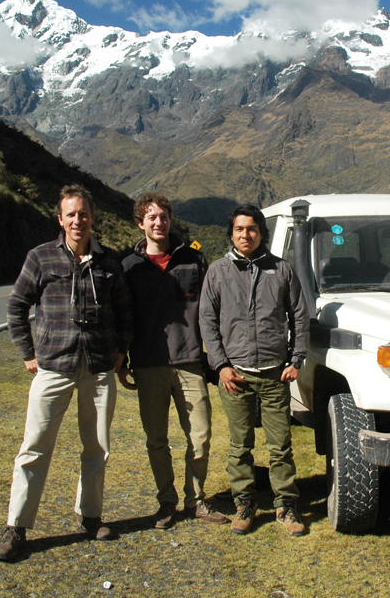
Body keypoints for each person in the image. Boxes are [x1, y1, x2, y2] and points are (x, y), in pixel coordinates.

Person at [0, 184, 132, 562]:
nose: (77, 220)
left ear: (92, 218)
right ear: (60, 219)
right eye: (70, 214)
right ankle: (16, 526)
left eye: (83, 214)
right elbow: (16, 306)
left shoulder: (108, 262)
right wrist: (28, 353)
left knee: (98, 447)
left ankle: (91, 516)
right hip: (53, 366)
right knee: (34, 447)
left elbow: (124, 310)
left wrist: (122, 349)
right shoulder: (40, 258)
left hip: (99, 368)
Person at [198, 205, 311, 537]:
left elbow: (299, 317)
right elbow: (207, 321)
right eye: (238, 229)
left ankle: (286, 506)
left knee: (281, 445)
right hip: (236, 376)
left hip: (275, 374)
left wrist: (296, 360)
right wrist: (220, 366)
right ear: (231, 233)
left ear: (261, 233)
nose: (244, 235)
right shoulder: (218, 271)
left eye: (251, 229)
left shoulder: (281, 270)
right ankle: (244, 504)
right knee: (240, 444)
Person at [120, 193, 229, 529]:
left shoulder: (194, 261)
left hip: (190, 361)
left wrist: (218, 356)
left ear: (170, 220)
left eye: (163, 216)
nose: (158, 222)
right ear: (141, 223)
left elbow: (212, 310)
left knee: (201, 434)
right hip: (148, 362)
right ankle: (166, 502)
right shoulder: (130, 267)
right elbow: (124, 316)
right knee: (157, 439)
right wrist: (121, 358)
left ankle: (195, 499)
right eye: (151, 217)